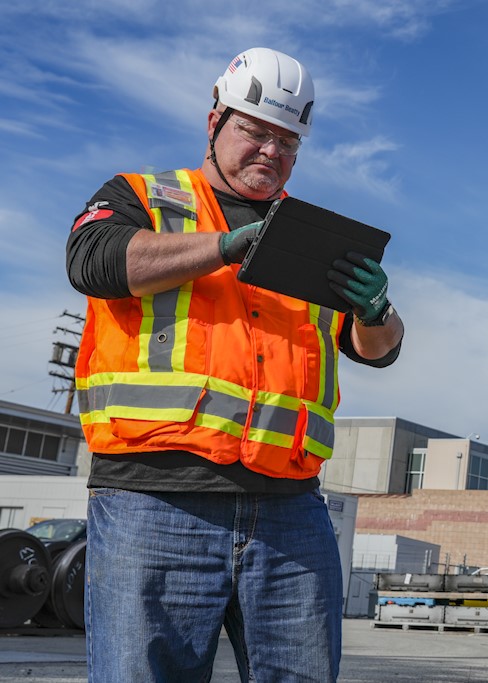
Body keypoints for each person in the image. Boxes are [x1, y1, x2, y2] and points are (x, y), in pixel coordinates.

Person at [66, 47, 403, 681]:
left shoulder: (310, 237)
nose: (270, 151)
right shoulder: (143, 197)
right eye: (255, 130)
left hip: (291, 511)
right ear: (215, 120)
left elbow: (375, 351)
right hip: (155, 501)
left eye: (287, 140)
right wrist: (224, 246)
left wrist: (376, 310)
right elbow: (95, 262)